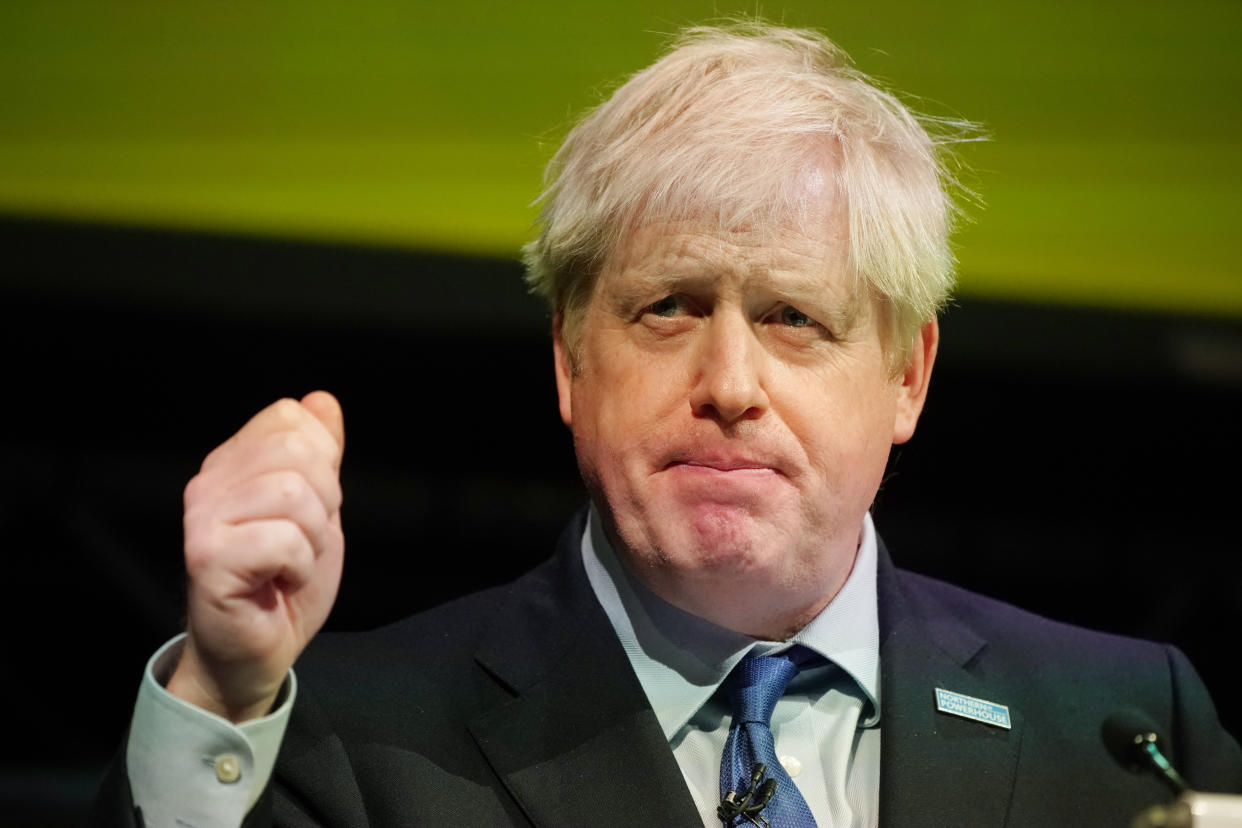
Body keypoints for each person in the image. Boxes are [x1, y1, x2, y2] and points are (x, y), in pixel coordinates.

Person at [93, 21, 1241, 828]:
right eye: (669, 307)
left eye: (795, 316)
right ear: (570, 360)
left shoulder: (1129, 728)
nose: (730, 380)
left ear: (907, 376)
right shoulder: (347, 741)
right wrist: (218, 699)